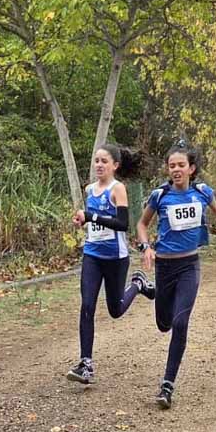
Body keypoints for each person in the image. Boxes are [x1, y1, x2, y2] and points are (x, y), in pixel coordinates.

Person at [136, 143, 216, 409]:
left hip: (189, 266)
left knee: (181, 322)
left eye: (181, 165)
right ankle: (149, 288)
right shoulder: (160, 195)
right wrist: (146, 247)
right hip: (164, 267)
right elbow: (141, 224)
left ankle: (167, 385)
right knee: (164, 324)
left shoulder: (203, 192)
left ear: (191, 169)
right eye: (171, 166)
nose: (176, 169)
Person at [66, 144, 155, 385]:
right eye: (96, 160)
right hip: (92, 255)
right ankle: (86, 364)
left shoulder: (118, 189)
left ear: (115, 165)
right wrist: (82, 220)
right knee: (87, 305)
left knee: (115, 310)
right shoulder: (89, 190)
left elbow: (122, 224)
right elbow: (92, 221)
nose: (99, 165)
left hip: (116, 258)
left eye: (104, 161)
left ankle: (137, 284)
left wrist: (91, 216)